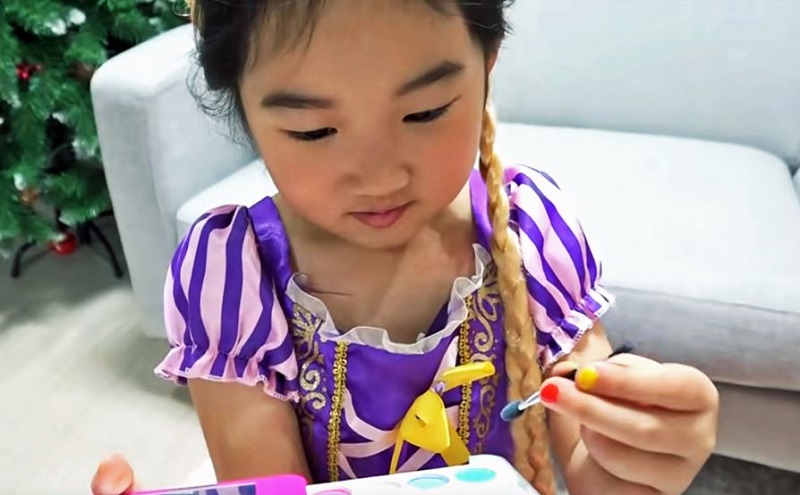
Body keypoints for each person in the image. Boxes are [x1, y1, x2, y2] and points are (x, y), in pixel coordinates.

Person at [91, 1, 719, 494]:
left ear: (487, 64)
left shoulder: (529, 231)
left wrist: (636, 455)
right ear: (244, 109)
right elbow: (267, 476)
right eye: (314, 131)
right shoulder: (235, 274)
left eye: (425, 112)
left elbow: (591, 463)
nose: (380, 177)